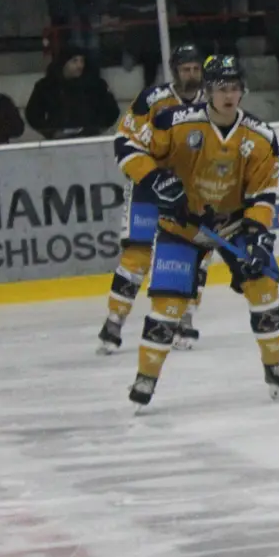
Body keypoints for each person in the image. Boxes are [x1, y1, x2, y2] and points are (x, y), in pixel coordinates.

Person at [116, 55, 279, 408]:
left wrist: (259, 234)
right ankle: (146, 376)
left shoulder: (261, 137)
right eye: (221, 88)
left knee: (263, 285)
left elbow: (262, 193)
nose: (229, 95)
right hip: (180, 226)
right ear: (208, 91)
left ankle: (275, 367)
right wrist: (156, 180)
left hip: (232, 225)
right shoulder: (174, 122)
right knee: (167, 304)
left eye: (235, 88)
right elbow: (127, 145)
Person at [100, 45, 209, 356]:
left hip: (191, 194)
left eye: (196, 68)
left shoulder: (212, 102)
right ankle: (114, 321)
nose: (191, 74)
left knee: (196, 256)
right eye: (185, 69)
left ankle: (183, 318)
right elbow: (124, 140)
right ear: (175, 71)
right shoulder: (152, 100)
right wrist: (152, 176)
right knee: (137, 256)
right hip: (150, 188)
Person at [24, 45, 119, 140]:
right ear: (64, 63)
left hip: (89, 140)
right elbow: (33, 114)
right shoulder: (46, 85)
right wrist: (51, 132)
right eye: (75, 61)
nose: (79, 65)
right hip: (58, 142)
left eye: (82, 61)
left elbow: (112, 111)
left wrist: (95, 129)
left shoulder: (96, 84)